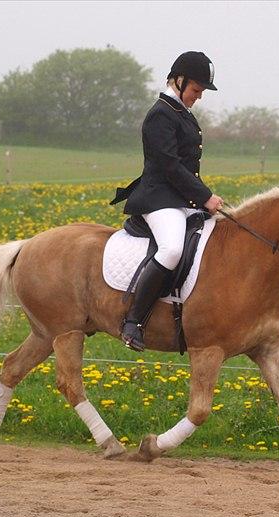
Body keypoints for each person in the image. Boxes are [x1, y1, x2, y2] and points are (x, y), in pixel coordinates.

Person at [110, 51, 224, 351]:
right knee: (172, 249)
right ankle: (133, 321)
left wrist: (202, 199)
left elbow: (187, 167)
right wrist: (205, 196)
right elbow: (170, 165)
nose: (198, 97)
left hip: (182, 198)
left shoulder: (181, 112)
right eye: (196, 90)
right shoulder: (160, 114)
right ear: (179, 80)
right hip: (158, 199)